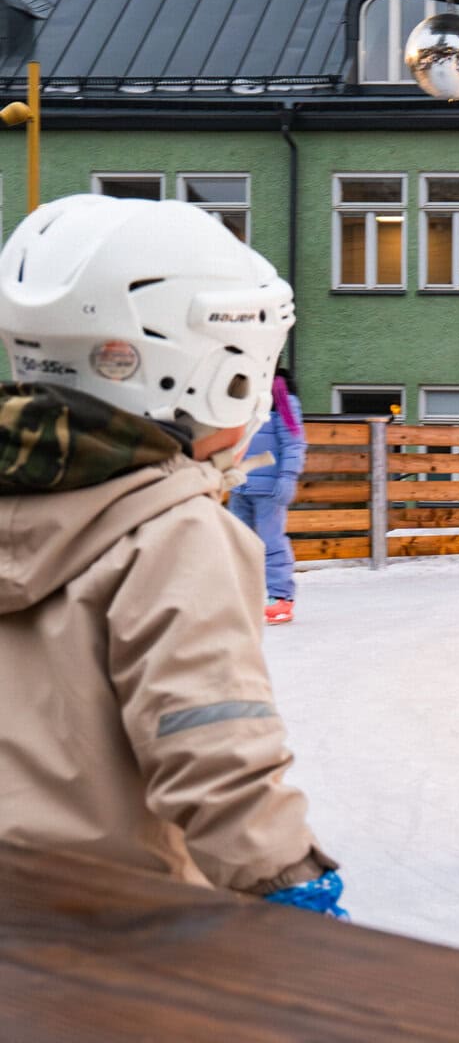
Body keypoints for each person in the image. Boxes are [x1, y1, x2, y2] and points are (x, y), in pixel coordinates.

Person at [0, 194, 346, 917]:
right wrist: (288, 881)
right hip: (111, 926)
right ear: (213, 374)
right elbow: (211, 743)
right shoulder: (174, 535)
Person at [230, 368, 306, 625]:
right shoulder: (241, 393)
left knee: (271, 543)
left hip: (269, 488)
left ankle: (280, 596)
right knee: (237, 544)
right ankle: (241, 597)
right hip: (239, 484)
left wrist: (287, 477)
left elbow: (294, 443)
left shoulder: (281, 396)